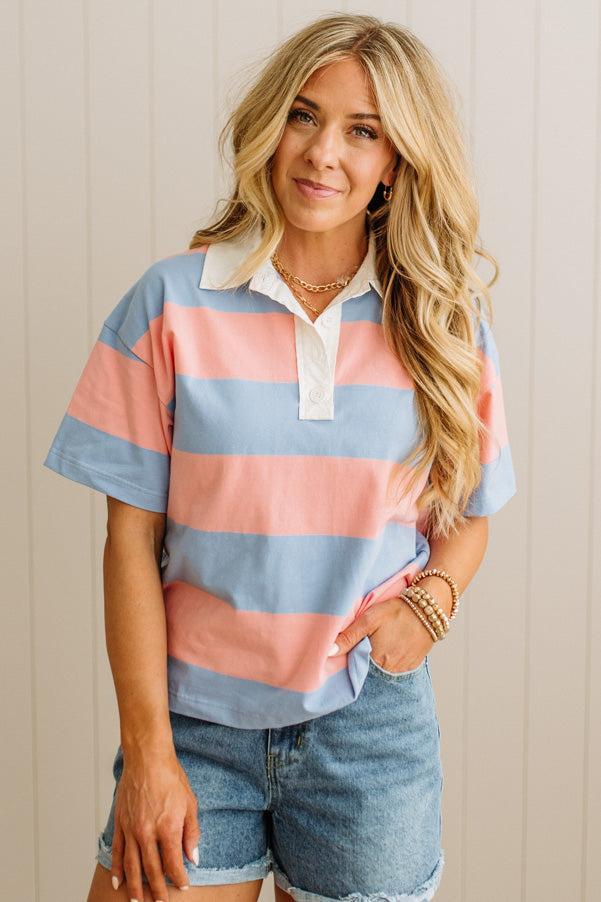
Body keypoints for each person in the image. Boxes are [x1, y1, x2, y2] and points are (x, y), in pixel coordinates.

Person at [43, 13, 517, 902]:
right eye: (303, 115)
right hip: (193, 728)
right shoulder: (171, 304)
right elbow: (127, 547)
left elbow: (471, 520)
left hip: (367, 734)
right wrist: (148, 753)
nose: (321, 153)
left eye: (361, 130)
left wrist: (429, 607)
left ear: (394, 163)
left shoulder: (444, 325)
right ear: (270, 123)